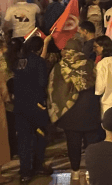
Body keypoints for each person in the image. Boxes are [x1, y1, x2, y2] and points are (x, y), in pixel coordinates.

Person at [48, 38, 101, 181]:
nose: (63, 51)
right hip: (91, 109)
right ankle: (91, 171)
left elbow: (54, 90)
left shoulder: (59, 68)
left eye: (65, 49)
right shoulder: (90, 65)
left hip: (70, 113)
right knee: (91, 144)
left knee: (73, 144)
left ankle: (75, 171)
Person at [12, 36, 50, 183]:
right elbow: (42, 83)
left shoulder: (18, 62)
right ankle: (38, 165)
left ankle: (25, 172)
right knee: (40, 137)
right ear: (40, 48)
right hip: (36, 106)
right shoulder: (39, 62)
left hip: (20, 106)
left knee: (23, 139)